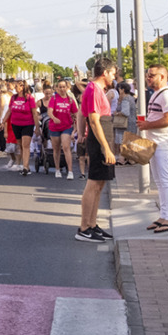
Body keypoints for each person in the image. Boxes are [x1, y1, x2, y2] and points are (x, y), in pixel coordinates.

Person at [76, 58, 116, 242]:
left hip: (104, 136)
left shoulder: (98, 90)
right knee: (93, 183)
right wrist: (106, 148)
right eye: (113, 73)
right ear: (105, 73)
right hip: (99, 139)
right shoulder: (93, 89)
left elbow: (81, 114)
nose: (114, 77)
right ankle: (84, 228)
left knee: (100, 184)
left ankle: (92, 223)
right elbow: (93, 119)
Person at [138, 65, 168, 232]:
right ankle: (164, 215)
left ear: (162, 77)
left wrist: (148, 124)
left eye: (152, 76)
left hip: (165, 142)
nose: (148, 78)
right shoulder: (157, 94)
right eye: (148, 75)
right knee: (160, 182)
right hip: (155, 142)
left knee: (166, 180)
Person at [7, 81, 40, 176]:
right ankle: (26, 165)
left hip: (27, 124)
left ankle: (25, 167)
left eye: (16, 86)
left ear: (22, 87)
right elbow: (9, 111)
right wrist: (3, 121)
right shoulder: (13, 97)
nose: (15, 88)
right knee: (20, 145)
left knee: (26, 145)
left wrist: (37, 127)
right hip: (16, 124)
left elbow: (34, 113)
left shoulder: (30, 98)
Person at [47, 80, 77, 179]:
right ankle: (57, 169)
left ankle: (70, 171)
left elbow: (76, 113)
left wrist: (78, 124)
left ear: (67, 87)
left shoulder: (70, 100)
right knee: (56, 149)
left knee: (66, 147)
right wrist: (54, 118)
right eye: (60, 87)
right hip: (55, 127)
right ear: (57, 88)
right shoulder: (54, 98)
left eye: (64, 87)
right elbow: (49, 111)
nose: (62, 89)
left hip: (66, 126)